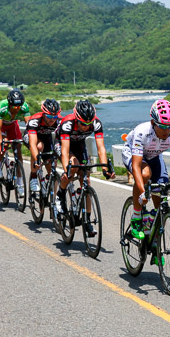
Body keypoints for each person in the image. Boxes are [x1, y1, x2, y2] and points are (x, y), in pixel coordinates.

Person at [122, 100, 170, 251]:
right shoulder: (142, 131)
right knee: (145, 173)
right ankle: (137, 217)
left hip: (155, 156)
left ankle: (154, 237)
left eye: (169, 126)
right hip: (133, 154)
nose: (166, 131)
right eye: (162, 126)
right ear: (153, 122)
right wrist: (142, 192)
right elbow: (136, 166)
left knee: (161, 193)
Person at [54, 99, 114, 236]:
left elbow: (101, 148)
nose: (86, 127)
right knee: (73, 165)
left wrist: (105, 169)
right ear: (76, 118)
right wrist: (66, 170)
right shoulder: (67, 123)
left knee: (86, 180)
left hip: (80, 144)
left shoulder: (96, 123)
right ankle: (61, 194)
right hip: (62, 143)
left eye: (89, 124)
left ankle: (87, 219)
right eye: (83, 124)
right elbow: (64, 150)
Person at [0, 89, 31, 194]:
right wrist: (1, 144)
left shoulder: (24, 107)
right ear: (9, 104)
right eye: (14, 106)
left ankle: (19, 183)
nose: (17, 109)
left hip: (12, 124)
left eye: (19, 106)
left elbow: (30, 126)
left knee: (18, 150)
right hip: (0, 125)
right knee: (5, 144)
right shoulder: (1, 108)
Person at [25, 98, 61, 193]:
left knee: (52, 166)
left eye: (54, 117)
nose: (52, 119)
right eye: (49, 116)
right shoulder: (35, 120)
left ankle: (54, 198)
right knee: (39, 146)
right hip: (32, 136)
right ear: (44, 114)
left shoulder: (59, 121)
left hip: (46, 136)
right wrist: (37, 159)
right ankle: (33, 176)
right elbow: (32, 143)